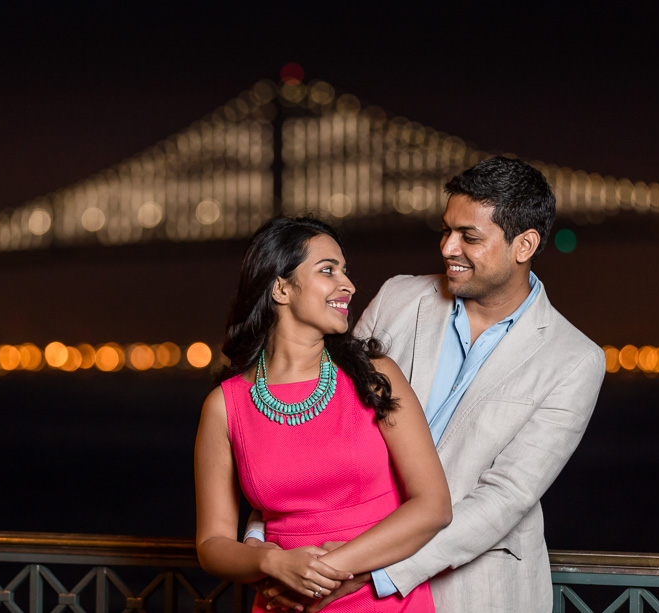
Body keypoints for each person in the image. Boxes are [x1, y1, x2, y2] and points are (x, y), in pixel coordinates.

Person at [260, 156, 606, 612]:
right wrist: (263, 544)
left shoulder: (574, 359)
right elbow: (315, 422)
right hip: (335, 573)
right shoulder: (398, 298)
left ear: (524, 245)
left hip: (474, 592)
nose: (447, 248)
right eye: (446, 230)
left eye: (470, 236)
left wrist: (366, 571)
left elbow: (505, 497)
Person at [194, 216, 452, 612]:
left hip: (380, 601)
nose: (347, 284)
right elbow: (212, 545)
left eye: (345, 271)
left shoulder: (374, 375)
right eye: (328, 270)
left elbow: (433, 506)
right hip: (282, 602)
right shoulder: (224, 406)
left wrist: (320, 575)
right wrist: (272, 561)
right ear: (280, 287)